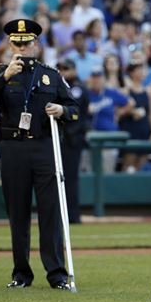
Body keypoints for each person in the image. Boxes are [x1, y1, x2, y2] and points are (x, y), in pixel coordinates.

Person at [0, 19, 79, 289]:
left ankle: (56, 273)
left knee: (50, 212)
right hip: (13, 147)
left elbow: (75, 109)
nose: (23, 47)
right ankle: (21, 273)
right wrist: (6, 75)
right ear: (10, 44)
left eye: (28, 42)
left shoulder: (51, 75)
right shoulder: (1, 72)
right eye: (17, 43)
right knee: (18, 212)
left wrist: (62, 111)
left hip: (44, 146)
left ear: (37, 44)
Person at [56, 58, 89, 224]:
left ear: (74, 70)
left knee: (70, 179)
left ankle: (73, 216)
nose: (63, 71)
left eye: (66, 68)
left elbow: (76, 113)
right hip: (59, 138)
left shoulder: (77, 87)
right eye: (60, 68)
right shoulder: (58, 86)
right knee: (57, 179)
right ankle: (61, 216)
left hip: (72, 139)